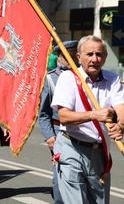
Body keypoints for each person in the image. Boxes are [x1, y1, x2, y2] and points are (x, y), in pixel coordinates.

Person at [51, 35, 124, 204]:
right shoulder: (68, 78)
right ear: (78, 57)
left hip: (99, 152)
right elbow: (64, 116)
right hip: (72, 147)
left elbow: (120, 107)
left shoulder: (112, 79)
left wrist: (120, 125)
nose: (95, 59)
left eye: (99, 54)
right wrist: (93, 115)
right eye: (89, 54)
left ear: (105, 57)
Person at [38, 40, 78, 204]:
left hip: (83, 132)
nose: (69, 58)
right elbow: (44, 114)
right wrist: (50, 137)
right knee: (61, 175)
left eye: (73, 53)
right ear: (59, 56)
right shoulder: (50, 78)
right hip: (60, 133)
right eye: (65, 54)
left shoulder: (84, 76)